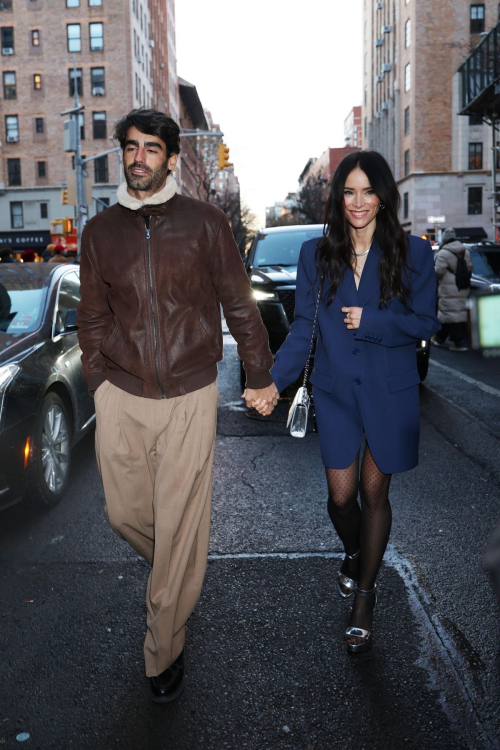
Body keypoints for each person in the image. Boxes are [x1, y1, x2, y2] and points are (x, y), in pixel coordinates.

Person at [76, 108, 275, 703]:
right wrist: (98, 382)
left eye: (151, 149)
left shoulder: (205, 222)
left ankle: (163, 647)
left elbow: (239, 303)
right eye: (131, 148)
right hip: (121, 391)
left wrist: (259, 374)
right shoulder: (99, 232)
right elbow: (91, 316)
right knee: (123, 514)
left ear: (171, 157)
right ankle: (177, 576)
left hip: (190, 390)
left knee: (182, 520)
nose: (139, 158)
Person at [268, 151, 440, 654]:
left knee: (373, 495)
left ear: (384, 196)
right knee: (341, 498)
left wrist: (371, 322)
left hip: (390, 392)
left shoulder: (413, 254)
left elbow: (425, 322)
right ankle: (354, 552)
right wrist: (270, 381)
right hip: (337, 392)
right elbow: (304, 329)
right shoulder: (316, 254)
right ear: (338, 198)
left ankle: (364, 595)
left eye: (368, 191)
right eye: (349, 192)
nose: (359, 202)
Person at [431, 227, 472, 351]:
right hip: (462, 286)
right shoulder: (465, 251)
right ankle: (439, 338)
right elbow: (469, 267)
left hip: (448, 288)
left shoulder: (443, 253)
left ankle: (460, 342)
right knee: (453, 313)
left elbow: (438, 272)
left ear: (444, 239)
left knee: (450, 313)